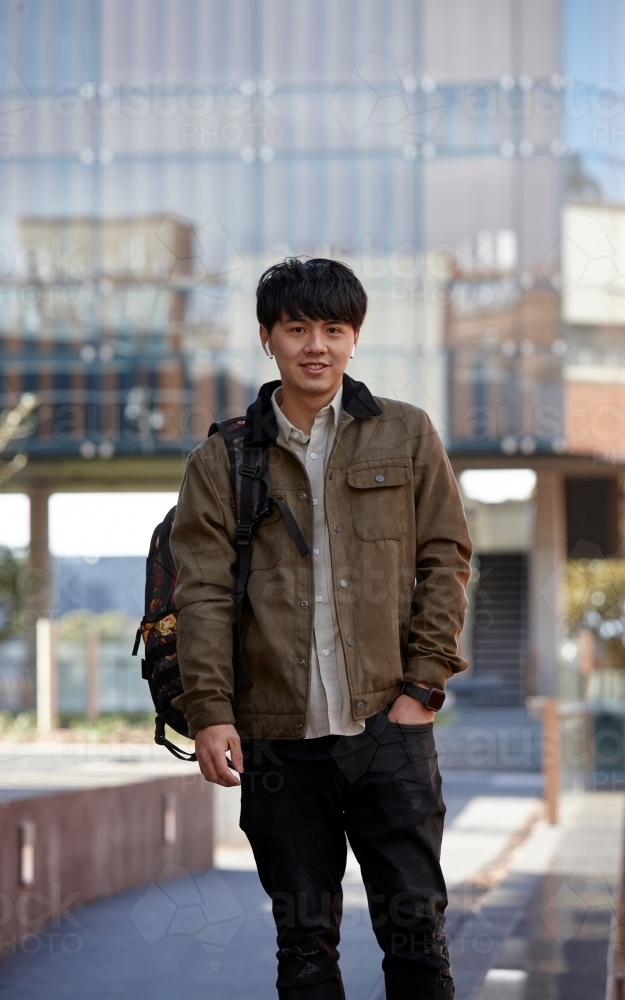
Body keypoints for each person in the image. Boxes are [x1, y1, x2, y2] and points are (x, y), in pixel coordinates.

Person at [170, 257, 472, 1000]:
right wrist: (209, 712)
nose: (316, 345)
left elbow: (446, 558)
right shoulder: (223, 458)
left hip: (388, 727)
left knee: (416, 939)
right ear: (267, 337)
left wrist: (420, 691)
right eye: (297, 327)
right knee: (304, 947)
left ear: (354, 337)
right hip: (278, 739)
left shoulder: (405, 432)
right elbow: (200, 592)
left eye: (333, 329)